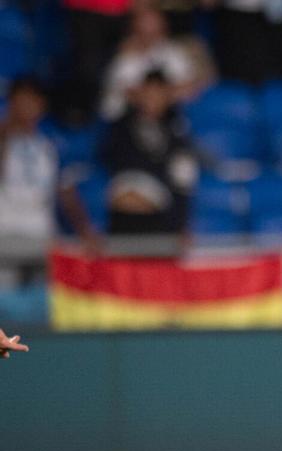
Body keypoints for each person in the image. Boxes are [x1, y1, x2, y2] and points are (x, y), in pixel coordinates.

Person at [0, 77, 98, 270]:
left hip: (41, 231)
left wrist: (85, 230)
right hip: (5, 230)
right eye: (22, 99)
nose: (28, 105)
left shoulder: (49, 144)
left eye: (33, 100)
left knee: (46, 293)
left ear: (42, 105)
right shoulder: (4, 138)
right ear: (11, 102)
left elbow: (66, 191)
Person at [99, 70, 198, 243]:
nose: (151, 100)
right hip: (120, 220)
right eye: (147, 93)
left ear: (167, 97)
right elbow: (105, 155)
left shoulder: (176, 136)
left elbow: (183, 181)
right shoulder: (120, 127)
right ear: (139, 94)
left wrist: (181, 226)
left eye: (158, 94)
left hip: (156, 221)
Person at [99, 4, 210, 121]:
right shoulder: (126, 56)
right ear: (135, 29)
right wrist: (148, 98)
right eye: (144, 29)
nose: (150, 34)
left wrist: (161, 96)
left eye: (155, 29)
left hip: (170, 117)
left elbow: (188, 85)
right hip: (127, 119)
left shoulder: (171, 51)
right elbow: (121, 91)